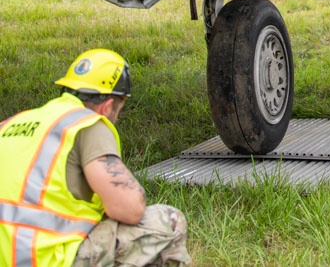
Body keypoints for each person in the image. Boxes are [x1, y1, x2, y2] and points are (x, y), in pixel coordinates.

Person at [0, 49, 190, 267]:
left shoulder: (10, 124)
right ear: (108, 106)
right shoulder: (86, 124)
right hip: (48, 259)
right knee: (168, 221)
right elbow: (130, 208)